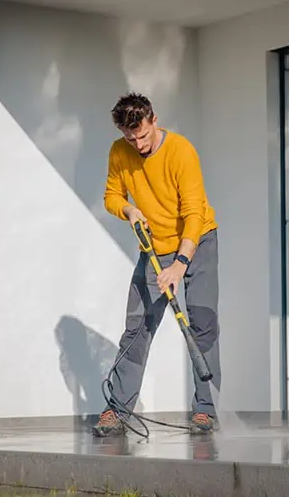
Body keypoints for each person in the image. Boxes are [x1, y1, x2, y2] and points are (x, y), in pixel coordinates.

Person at [92, 92, 221, 437]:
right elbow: (112, 196)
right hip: (154, 248)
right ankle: (117, 410)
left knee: (202, 323)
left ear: (154, 120)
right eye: (130, 138)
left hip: (197, 242)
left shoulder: (181, 151)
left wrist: (180, 264)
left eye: (143, 136)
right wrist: (129, 210)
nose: (138, 144)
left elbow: (194, 212)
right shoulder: (120, 151)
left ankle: (206, 411)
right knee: (137, 328)